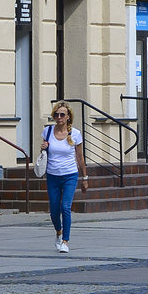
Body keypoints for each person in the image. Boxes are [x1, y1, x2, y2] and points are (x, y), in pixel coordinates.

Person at [40, 100, 88, 254]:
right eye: (56, 114)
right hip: (53, 175)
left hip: (70, 175)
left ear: (68, 117)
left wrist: (85, 178)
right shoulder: (48, 131)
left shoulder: (75, 133)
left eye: (62, 114)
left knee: (65, 207)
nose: (59, 117)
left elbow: (80, 157)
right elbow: (44, 154)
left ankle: (66, 241)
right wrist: (43, 148)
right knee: (54, 210)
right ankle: (58, 232)